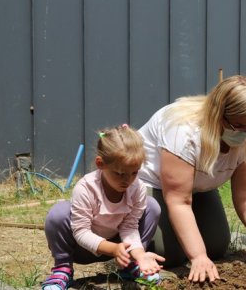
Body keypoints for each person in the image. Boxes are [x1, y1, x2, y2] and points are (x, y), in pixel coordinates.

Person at [137, 75, 246, 283]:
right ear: (218, 116)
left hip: (198, 187)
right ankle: (120, 237)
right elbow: (179, 200)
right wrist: (198, 257)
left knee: (216, 245)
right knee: (168, 253)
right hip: (153, 184)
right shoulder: (184, 131)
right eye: (239, 125)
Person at [42, 124, 164, 290]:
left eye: (134, 172)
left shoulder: (137, 188)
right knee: (59, 213)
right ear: (101, 164)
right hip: (83, 248)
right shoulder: (86, 188)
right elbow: (81, 231)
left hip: (121, 249)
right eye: (120, 173)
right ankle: (62, 269)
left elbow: (129, 226)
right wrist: (113, 249)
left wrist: (139, 254)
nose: (127, 180)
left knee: (152, 206)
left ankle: (131, 265)